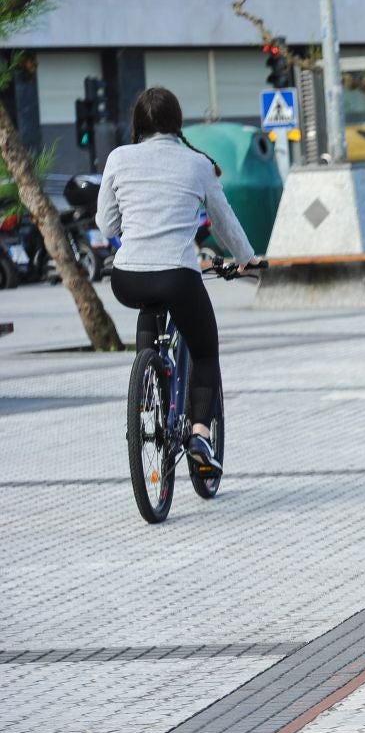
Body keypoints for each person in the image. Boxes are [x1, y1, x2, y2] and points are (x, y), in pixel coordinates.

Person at [95, 87, 263, 475]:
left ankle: (147, 391)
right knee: (204, 353)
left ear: (138, 123)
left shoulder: (119, 158)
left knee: (148, 306)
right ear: (177, 122)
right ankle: (200, 433)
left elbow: (106, 225)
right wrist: (246, 259)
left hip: (128, 279)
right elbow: (224, 221)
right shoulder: (197, 163)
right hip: (177, 275)